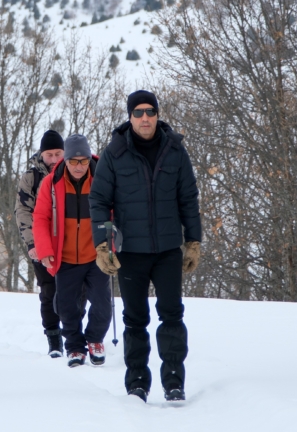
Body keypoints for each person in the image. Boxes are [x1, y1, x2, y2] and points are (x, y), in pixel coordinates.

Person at [89, 90, 201, 403]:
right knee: (135, 319)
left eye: (150, 111)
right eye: (138, 112)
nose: (144, 118)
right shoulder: (114, 153)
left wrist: (193, 241)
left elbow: (188, 198)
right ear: (130, 117)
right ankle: (137, 383)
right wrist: (103, 245)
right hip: (130, 253)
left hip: (167, 250)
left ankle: (174, 382)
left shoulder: (175, 150)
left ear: (157, 114)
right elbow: (99, 200)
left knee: (172, 315)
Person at [33, 135, 112, 368]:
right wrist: (45, 250)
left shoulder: (103, 179)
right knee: (67, 307)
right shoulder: (51, 183)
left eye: (83, 161)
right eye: (74, 161)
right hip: (65, 257)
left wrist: (113, 246)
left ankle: (95, 340)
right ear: (65, 160)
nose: (79, 166)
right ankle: (75, 347)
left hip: (97, 255)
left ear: (89, 159)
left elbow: (115, 213)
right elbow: (41, 218)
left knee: (102, 305)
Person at [15, 130, 66, 357]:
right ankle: (54, 338)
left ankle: (74, 334)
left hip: (69, 242)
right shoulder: (31, 177)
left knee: (77, 290)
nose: (54, 159)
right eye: (49, 154)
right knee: (49, 291)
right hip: (42, 242)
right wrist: (32, 244)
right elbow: (23, 211)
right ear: (41, 154)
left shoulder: (73, 171)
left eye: (58, 154)